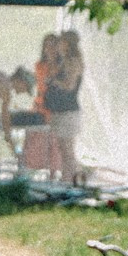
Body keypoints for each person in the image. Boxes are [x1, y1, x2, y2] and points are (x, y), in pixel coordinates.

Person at [42, 29, 86, 180]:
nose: (58, 45)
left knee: (68, 150)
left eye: (60, 42)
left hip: (68, 112)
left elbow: (70, 85)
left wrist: (54, 82)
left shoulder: (73, 61)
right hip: (59, 110)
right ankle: (68, 177)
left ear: (67, 43)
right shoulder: (63, 60)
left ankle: (72, 179)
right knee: (62, 148)